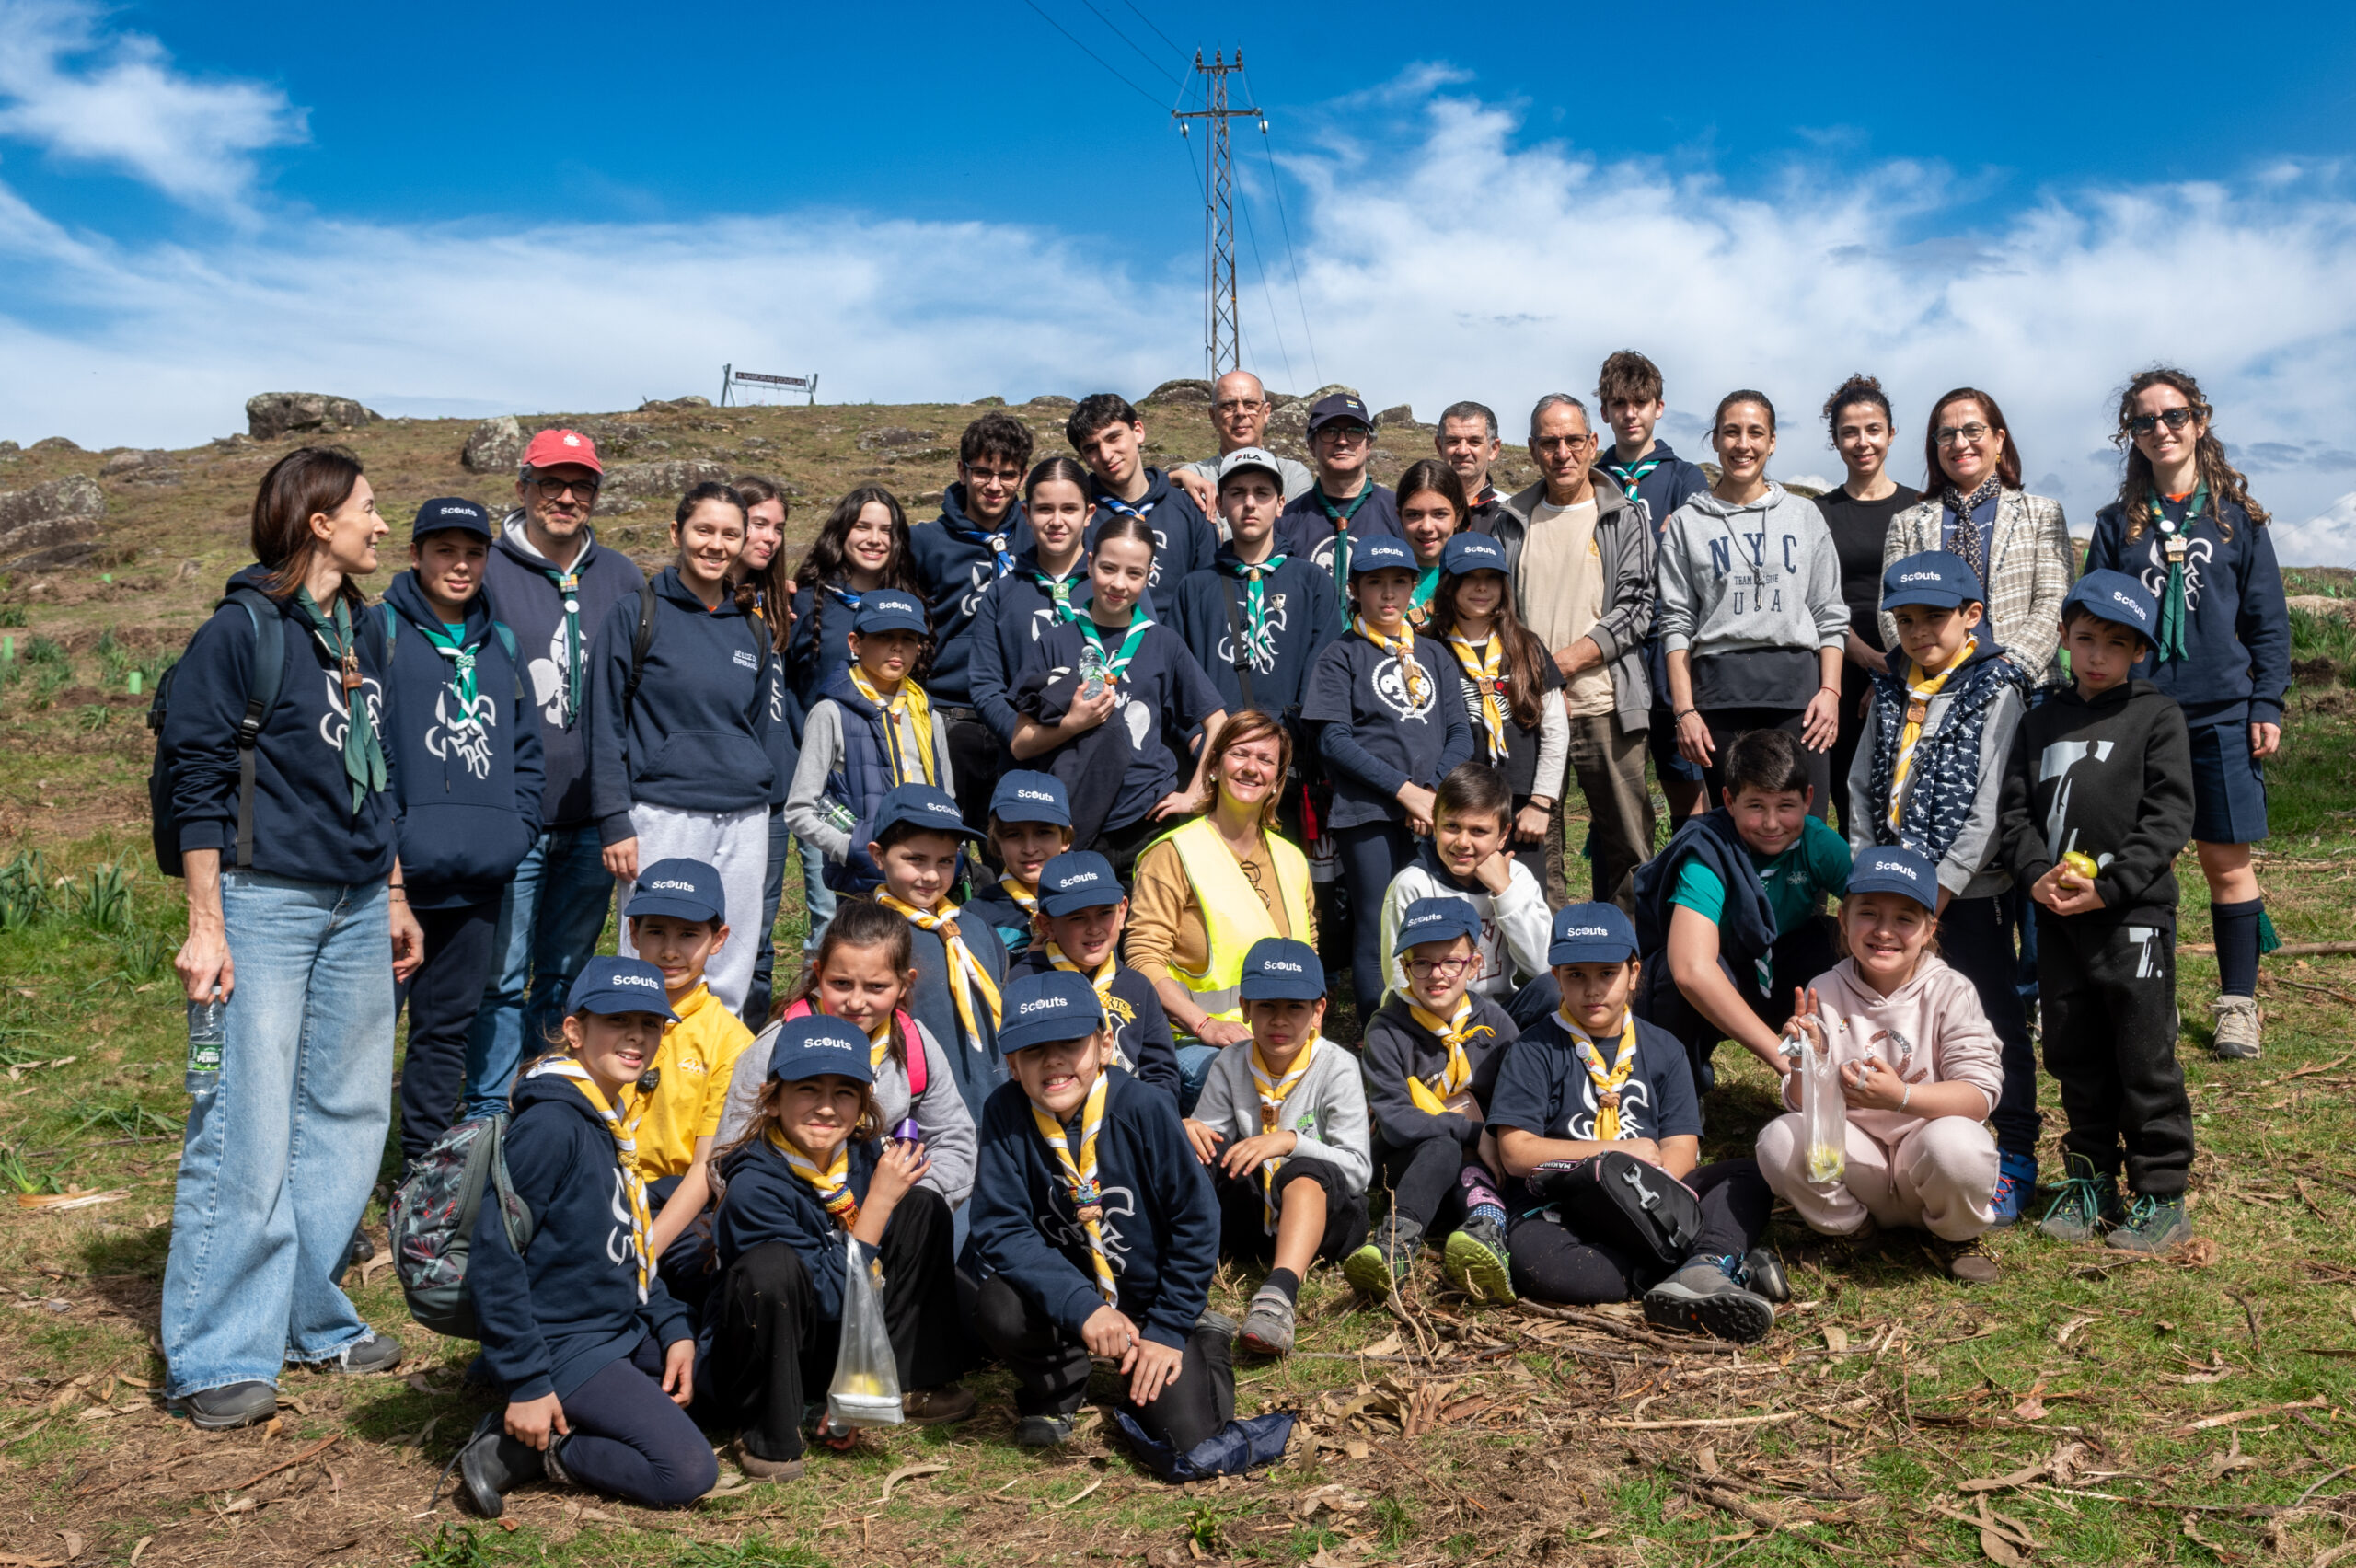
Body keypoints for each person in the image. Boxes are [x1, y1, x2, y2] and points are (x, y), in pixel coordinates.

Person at [159, 446, 420, 1430]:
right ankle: (219, 1353)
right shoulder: (239, 632)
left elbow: (381, 768)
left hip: (355, 901)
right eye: (368, 508)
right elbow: (196, 781)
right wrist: (207, 924)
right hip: (260, 901)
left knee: (347, 1113)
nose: (381, 525)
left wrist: (392, 890)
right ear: (319, 522)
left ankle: (310, 1316)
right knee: (244, 1119)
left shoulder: (367, 630)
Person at [455, 958, 715, 1516]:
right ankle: (539, 1449)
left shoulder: (607, 1116)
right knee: (686, 1471)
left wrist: (672, 1328)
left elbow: (628, 1244)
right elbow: (495, 1257)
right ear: (574, 1030)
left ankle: (579, 1413)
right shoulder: (552, 1125)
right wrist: (527, 1381)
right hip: (563, 1343)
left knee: (720, 1379)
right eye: (617, 1020)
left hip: (615, 1325)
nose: (636, 1037)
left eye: (649, 1024)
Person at [2085, 368, 2289, 1061]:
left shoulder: (2239, 520)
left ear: (2199, 421)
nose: (2161, 430)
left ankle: (2238, 1004)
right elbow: (2096, 623)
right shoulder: (2116, 525)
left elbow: (2268, 623)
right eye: (2144, 421)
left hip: (2223, 713)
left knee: (2225, 863)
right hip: (2139, 715)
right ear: (2131, 436)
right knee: (2141, 861)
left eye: (2174, 415)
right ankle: (2149, 995)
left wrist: (2266, 701)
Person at [1998, 571, 2198, 1253]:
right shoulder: (2040, 721)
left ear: (2140, 651)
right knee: (2073, 1053)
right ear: (2062, 636)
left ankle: (2160, 1193)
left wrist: (2111, 886)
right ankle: (2091, 1180)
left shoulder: (2157, 717)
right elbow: (2016, 815)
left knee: (2143, 1055)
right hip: (2058, 918)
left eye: (2116, 645)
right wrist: (2035, 877)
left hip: (2130, 919)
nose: (2097, 657)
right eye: (2085, 639)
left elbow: (2169, 818)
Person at [968, 969, 1235, 1451]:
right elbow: (1000, 1226)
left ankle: (1206, 1341)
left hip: (1151, 1304)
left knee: (1187, 1440)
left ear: (1105, 1044)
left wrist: (1169, 1326)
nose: (1053, 1061)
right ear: (1012, 1064)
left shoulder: (1145, 1108)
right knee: (996, 1302)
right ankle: (1059, 1387)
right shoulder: (1004, 1112)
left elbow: (1195, 1220)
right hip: (1066, 1305)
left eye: (1070, 1043)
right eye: (1033, 1050)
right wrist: (1082, 1307)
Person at [1486, 905, 1781, 1341]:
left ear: (1634, 973)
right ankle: (1693, 1269)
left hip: (1653, 1201)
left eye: (1607, 973)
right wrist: (1616, 1156)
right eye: (1576, 975)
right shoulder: (1533, 1049)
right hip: (1564, 1204)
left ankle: (1704, 1266)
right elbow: (1516, 1152)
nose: (1592, 990)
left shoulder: (1664, 1048)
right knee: (1547, 1269)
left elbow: (1681, 1147)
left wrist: (1643, 1193)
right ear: (1556, 978)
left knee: (1750, 1175)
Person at [701, 1012, 976, 1480]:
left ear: (864, 1104)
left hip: (834, 1344)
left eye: (844, 1093)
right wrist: (876, 1207)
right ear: (772, 1100)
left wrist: (856, 1388)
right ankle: (766, 1432)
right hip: (765, 1358)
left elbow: (878, 1276)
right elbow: (827, 1296)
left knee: (922, 1206)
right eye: (808, 1089)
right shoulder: (753, 1185)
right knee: (771, 1268)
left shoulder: (864, 1156)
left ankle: (906, 1384)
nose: (826, 1108)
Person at [1846, 554, 2037, 1222]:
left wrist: (1943, 887)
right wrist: (1866, 870)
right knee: (1899, 1011)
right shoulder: (1892, 685)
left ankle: (2014, 1149)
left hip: (1969, 892)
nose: (1919, 631)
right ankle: (1895, 1132)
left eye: (1934, 617)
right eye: (1905, 620)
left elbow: (1992, 800)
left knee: (1992, 1013)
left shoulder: (1997, 686)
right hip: (1891, 888)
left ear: (1971, 615)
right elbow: (1862, 784)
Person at [473, 429, 646, 1129]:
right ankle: (486, 1112)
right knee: (501, 975)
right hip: (510, 814)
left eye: (582, 485)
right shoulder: (485, 571)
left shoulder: (623, 577)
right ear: (522, 487)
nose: (566, 497)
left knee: (565, 973)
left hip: (591, 818)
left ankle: (542, 1100)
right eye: (551, 482)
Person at [380, 496, 545, 1166]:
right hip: (395, 879)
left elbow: (527, 749)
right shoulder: (379, 631)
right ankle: (345, 1173)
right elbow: (368, 750)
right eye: (444, 551)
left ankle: (421, 1173)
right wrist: (391, 843)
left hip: (480, 875)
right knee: (365, 1036)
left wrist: (516, 831)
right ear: (415, 554)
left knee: (444, 1032)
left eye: (473, 553)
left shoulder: (500, 642)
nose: (460, 565)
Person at [1758, 847, 2004, 1283]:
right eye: (1868, 913)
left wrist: (1902, 1097)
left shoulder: (1951, 990)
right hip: (1857, 1165)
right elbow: (1800, 1106)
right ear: (1843, 920)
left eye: (1904, 919)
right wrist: (1806, 1061)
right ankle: (1850, 1229)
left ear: (1929, 929)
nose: (1884, 931)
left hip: (1926, 1158)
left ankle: (1956, 1234)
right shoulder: (1824, 989)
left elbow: (1979, 1095)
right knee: (1779, 1139)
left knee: (1960, 1144)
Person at [588, 481, 775, 1014]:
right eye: (704, 530)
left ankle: (717, 1061)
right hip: (662, 814)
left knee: (730, 961)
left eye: (730, 534)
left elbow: (754, 729)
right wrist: (614, 820)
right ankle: (642, 1056)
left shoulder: (752, 630)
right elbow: (603, 723)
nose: (716, 545)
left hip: (743, 818)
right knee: (653, 959)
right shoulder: (636, 614)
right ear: (677, 533)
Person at [1472, 395, 1657, 905]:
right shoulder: (1511, 519)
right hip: (1527, 709)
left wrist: (1555, 669)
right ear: (1533, 449)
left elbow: (1637, 609)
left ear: (1593, 443)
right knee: (1535, 846)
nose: (1563, 453)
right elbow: (1498, 612)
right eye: (1550, 442)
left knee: (1628, 846)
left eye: (1573, 440)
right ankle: (1547, 950)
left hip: (1604, 705)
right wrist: (1537, 684)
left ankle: (1628, 949)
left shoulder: (1623, 516)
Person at [713, 896, 977, 1213]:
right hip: (790, 1214)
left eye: (876, 987)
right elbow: (728, 1153)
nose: (855, 1002)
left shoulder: (914, 1045)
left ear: (905, 983)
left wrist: (917, 1201)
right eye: (841, 983)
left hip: (894, 1209)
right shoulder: (775, 1047)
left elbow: (953, 1140)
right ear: (818, 973)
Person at [1657, 391, 1849, 817]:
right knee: (1738, 827)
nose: (1743, 444)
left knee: (1803, 824)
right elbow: (1676, 622)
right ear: (1715, 440)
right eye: (1731, 432)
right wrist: (1684, 710)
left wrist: (1830, 692)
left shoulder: (1804, 516)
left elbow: (1829, 613)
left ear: (1772, 441)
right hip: (1719, 698)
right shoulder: (1688, 523)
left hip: (1799, 697)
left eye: (1755, 433)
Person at [1304, 536, 1474, 1010]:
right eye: (1374, 583)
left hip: (1433, 808)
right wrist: (1404, 792)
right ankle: (1377, 1029)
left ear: (1413, 587)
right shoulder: (1341, 655)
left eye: (1399, 582)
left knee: (1432, 915)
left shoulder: (1435, 655)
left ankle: (1430, 1018)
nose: (1387, 594)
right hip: (1367, 811)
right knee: (1378, 921)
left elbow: (1460, 733)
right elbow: (1334, 741)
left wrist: (1431, 792)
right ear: (1354, 589)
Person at [1631, 730, 1850, 1095]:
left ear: (1808, 800)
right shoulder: (1708, 850)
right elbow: (1691, 969)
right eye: (1756, 806)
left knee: (1842, 945)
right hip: (1723, 973)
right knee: (1672, 976)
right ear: (1729, 801)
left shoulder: (1818, 843)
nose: (1771, 823)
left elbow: (1873, 909)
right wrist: (1783, 1058)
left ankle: (1839, 1070)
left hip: (1783, 969)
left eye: (1785, 806)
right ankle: (1680, 1090)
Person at [1010, 515, 1229, 876]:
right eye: (1108, 568)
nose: (1118, 584)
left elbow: (1217, 722)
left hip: (1146, 821)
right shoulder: (1054, 642)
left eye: (1134, 573)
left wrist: (1197, 793)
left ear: (1149, 575)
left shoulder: (1164, 643)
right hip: (1072, 820)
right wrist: (1072, 724)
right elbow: (1020, 744)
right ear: (1090, 562)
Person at [1184, 940, 1370, 1355]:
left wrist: (1291, 1142)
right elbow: (1211, 1150)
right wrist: (1191, 1131)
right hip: (1251, 1224)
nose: (1279, 1020)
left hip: (1326, 1225)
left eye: (1295, 1007)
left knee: (1303, 1169)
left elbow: (1358, 1170)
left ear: (1318, 1011)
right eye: (1267, 1006)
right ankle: (1180, 1279)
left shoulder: (1338, 1066)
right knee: (1196, 1153)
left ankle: (1278, 1296)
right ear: (1245, 1008)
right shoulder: (1229, 1062)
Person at [1126, 711, 1317, 1105]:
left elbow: (1310, 953)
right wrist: (1204, 1025)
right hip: (1196, 1042)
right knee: (1249, 1088)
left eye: (1266, 760)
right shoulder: (1173, 853)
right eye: (1239, 754)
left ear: (1277, 780)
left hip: (1285, 1041)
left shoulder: (1293, 859)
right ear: (1213, 766)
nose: (1251, 768)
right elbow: (1143, 959)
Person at [1350, 896, 1517, 1303]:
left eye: (1451, 962)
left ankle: (1484, 1233)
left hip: (1483, 1166)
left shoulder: (1496, 1024)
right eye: (1421, 963)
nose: (1436, 975)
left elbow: (1519, 1099)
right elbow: (1396, 1121)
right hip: (1406, 1162)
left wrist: (1494, 1136)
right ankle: (1397, 1243)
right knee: (1443, 1146)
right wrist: (1474, 1133)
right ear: (1404, 967)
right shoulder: (1385, 1030)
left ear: (1474, 965)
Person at [782, 485, 923, 954]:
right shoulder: (806, 602)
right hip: (828, 788)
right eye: (863, 526)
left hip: (892, 789)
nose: (875, 538)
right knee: (833, 916)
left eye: (887, 530)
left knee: (896, 917)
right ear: (841, 532)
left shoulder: (908, 604)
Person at [613, 859, 756, 1309]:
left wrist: (644, 1253)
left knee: (704, 1274)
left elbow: (705, 1169)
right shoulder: (602, 1016)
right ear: (633, 933)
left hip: (677, 1204)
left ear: (719, 939)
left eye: (689, 935)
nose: (670, 951)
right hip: (601, 1193)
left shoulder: (731, 1042)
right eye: (656, 932)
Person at [1882, 387, 2075, 688]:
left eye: (1973, 430)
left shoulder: (2042, 514)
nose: (1960, 443)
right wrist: (1931, 667)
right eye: (1946, 435)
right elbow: (1890, 609)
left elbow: (2053, 602)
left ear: (1999, 439)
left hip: (2027, 687)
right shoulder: (1906, 524)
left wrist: (2007, 668)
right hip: (1934, 688)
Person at [1595, 351, 1713, 823]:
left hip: (1668, 642)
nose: (1630, 414)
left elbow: (1693, 556)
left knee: (1684, 778)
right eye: (1619, 404)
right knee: (1616, 788)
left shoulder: (1686, 476)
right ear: (1604, 411)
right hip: (1608, 641)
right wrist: (1659, 538)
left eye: (1640, 403)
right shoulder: (1590, 479)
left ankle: (1694, 861)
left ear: (1658, 407)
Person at [1174, 447, 1339, 784]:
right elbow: (1175, 679)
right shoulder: (1194, 588)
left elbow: (1324, 675)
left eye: (1262, 493)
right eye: (1237, 493)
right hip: (1214, 761)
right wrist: (1198, 742)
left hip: (1288, 766)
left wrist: (1291, 746)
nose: (1249, 503)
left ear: (1280, 504)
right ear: (1220, 505)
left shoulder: (1313, 582)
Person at [910, 414, 1037, 828]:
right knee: (942, 842)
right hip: (950, 716)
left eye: (1007, 475)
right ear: (961, 470)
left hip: (1023, 718)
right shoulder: (924, 541)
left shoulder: (1039, 536)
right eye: (983, 472)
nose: (994, 485)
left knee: (1015, 844)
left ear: (1022, 477)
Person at [783, 589, 953, 897]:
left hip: (926, 884)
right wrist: (854, 849)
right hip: (862, 885)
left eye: (909, 639)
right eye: (883, 636)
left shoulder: (928, 716)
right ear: (855, 643)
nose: (897, 647)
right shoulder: (830, 713)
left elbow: (947, 799)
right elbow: (800, 809)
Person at [1422, 536, 1567, 890]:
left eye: (1492, 578)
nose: (1482, 587)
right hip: (1454, 804)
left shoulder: (1527, 646)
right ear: (1449, 584)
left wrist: (1541, 802)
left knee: (1520, 897)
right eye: (1470, 577)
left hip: (1521, 808)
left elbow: (1556, 729)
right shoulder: (1427, 649)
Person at [1811, 378, 1923, 835]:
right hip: (1838, 670)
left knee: (1907, 798)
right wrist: (1871, 663)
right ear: (1836, 440)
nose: (1863, 442)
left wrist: (1895, 668)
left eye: (1873, 430)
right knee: (1846, 797)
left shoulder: (1920, 507)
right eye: (1850, 432)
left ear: (1891, 434)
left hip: (1914, 667)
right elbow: (1818, 598)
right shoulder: (1818, 512)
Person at [861, 784, 1009, 1124]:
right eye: (915, 859)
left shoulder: (978, 930)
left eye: (945, 861)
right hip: (917, 1120)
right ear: (878, 855)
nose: (931, 875)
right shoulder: (865, 938)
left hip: (994, 1111)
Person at [1372, 763, 1553, 1024]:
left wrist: (1505, 891)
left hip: (1499, 1017)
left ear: (1503, 835)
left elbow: (1543, 965)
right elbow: (1401, 982)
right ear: (1434, 823)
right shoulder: (1412, 885)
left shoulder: (1518, 877)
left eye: (1479, 831)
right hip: (1432, 1018)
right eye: (1452, 826)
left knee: (1553, 989)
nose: (1463, 842)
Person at [968, 456, 1107, 780]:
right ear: (1026, 514)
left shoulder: (1115, 587)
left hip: (1104, 760)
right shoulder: (1001, 593)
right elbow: (985, 686)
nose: (1057, 521)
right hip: (1026, 768)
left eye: (1069, 509)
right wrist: (1024, 738)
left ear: (1089, 514)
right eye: (1044, 509)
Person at [1015, 850, 1184, 1101]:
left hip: (1133, 1118)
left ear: (1122, 912)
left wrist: (1150, 1116)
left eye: (1104, 913)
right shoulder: (1023, 985)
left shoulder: (1137, 986)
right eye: (1077, 918)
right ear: (1047, 925)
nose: (1094, 929)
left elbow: (1161, 1074)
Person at [732, 474, 800, 1026]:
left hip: (775, 791)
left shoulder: (774, 604)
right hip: (724, 789)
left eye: (778, 528)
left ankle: (745, 1048)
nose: (770, 538)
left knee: (759, 934)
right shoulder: (709, 602)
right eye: (759, 524)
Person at [1068, 393, 1219, 594]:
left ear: (1138, 431)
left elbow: (1209, 593)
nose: (1106, 455)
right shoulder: (1077, 517)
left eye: (1113, 438)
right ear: (1084, 457)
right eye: (1091, 449)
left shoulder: (1191, 509)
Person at [1276, 392, 1405, 599]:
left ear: (1369, 445)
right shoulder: (1285, 521)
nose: (1342, 441)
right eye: (1330, 431)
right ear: (1311, 445)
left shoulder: (1400, 513)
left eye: (1355, 431)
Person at [964, 770, 1074, 962]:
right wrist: (1028, 966)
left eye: (1043, 833)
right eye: (1014, 835)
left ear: (1065, 838)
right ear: (996, 842)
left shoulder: (1092, 902)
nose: (1030, 849)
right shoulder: (975, 917)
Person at [1172, 370, 1315, 504]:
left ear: (1266, 412)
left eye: (1250, 405)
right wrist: (1173, 478)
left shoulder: (1292, 475)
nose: (1240, 413)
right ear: (1213, 416)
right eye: (1228, 406)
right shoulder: (1193, 476)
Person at [1395, 459, 1462, 628]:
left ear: (1458, 517)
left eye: (1439, 514)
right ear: (1399, 517)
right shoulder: (1379, 578)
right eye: (1414, 515)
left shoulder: (1472, 581)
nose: (1426, 527)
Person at [1437, 401, 1508, 529]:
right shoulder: (1414, 508)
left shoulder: (1510, 512)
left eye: (1474, 442)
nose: (1462, 451)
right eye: (1453, 441)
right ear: (1439, 447)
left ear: (1493, 449)